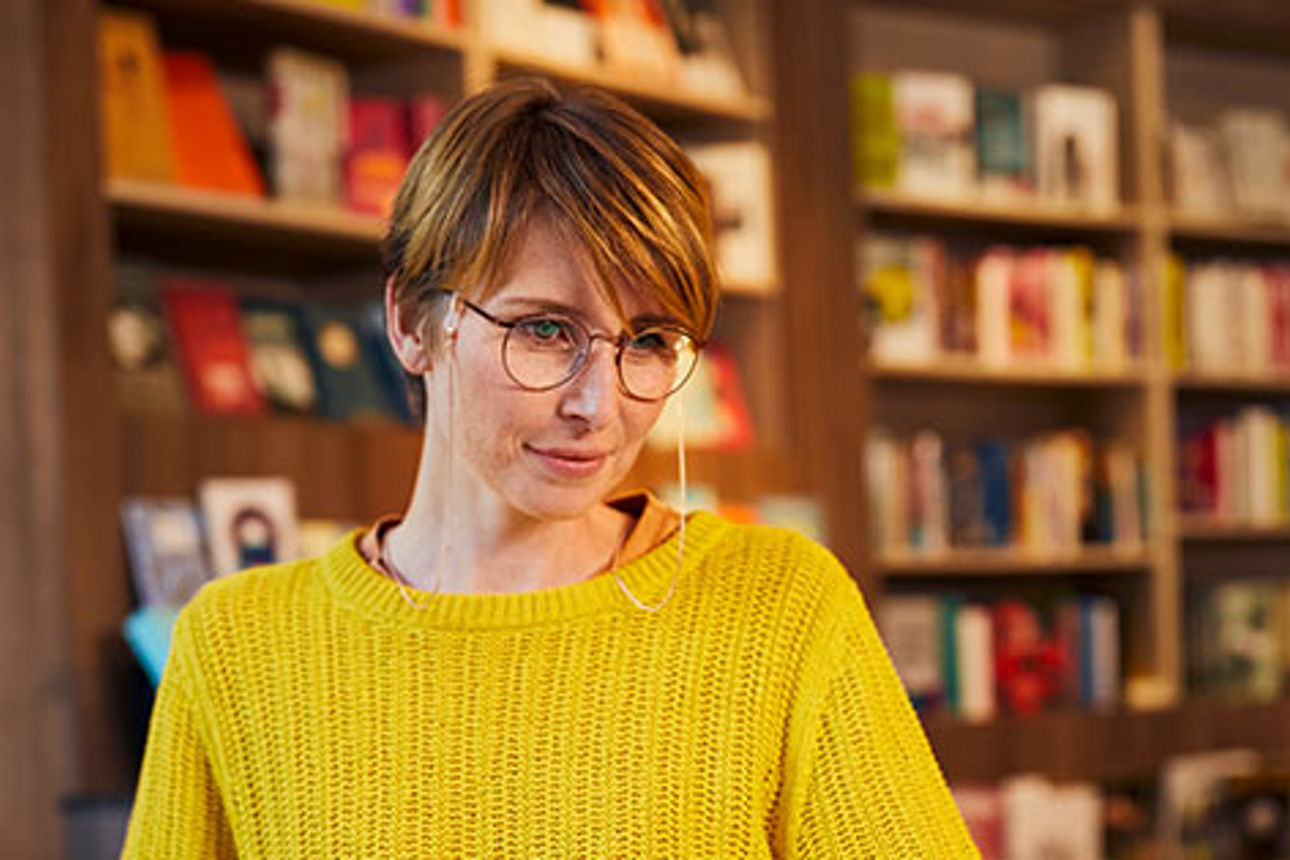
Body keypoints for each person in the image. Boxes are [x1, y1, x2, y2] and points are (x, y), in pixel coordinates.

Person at [122, 78, 977, 857]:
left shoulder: (783, 611)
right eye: (544, 330)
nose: (599, 405)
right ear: (413, 326)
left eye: (646, 342)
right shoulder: (236, 648)